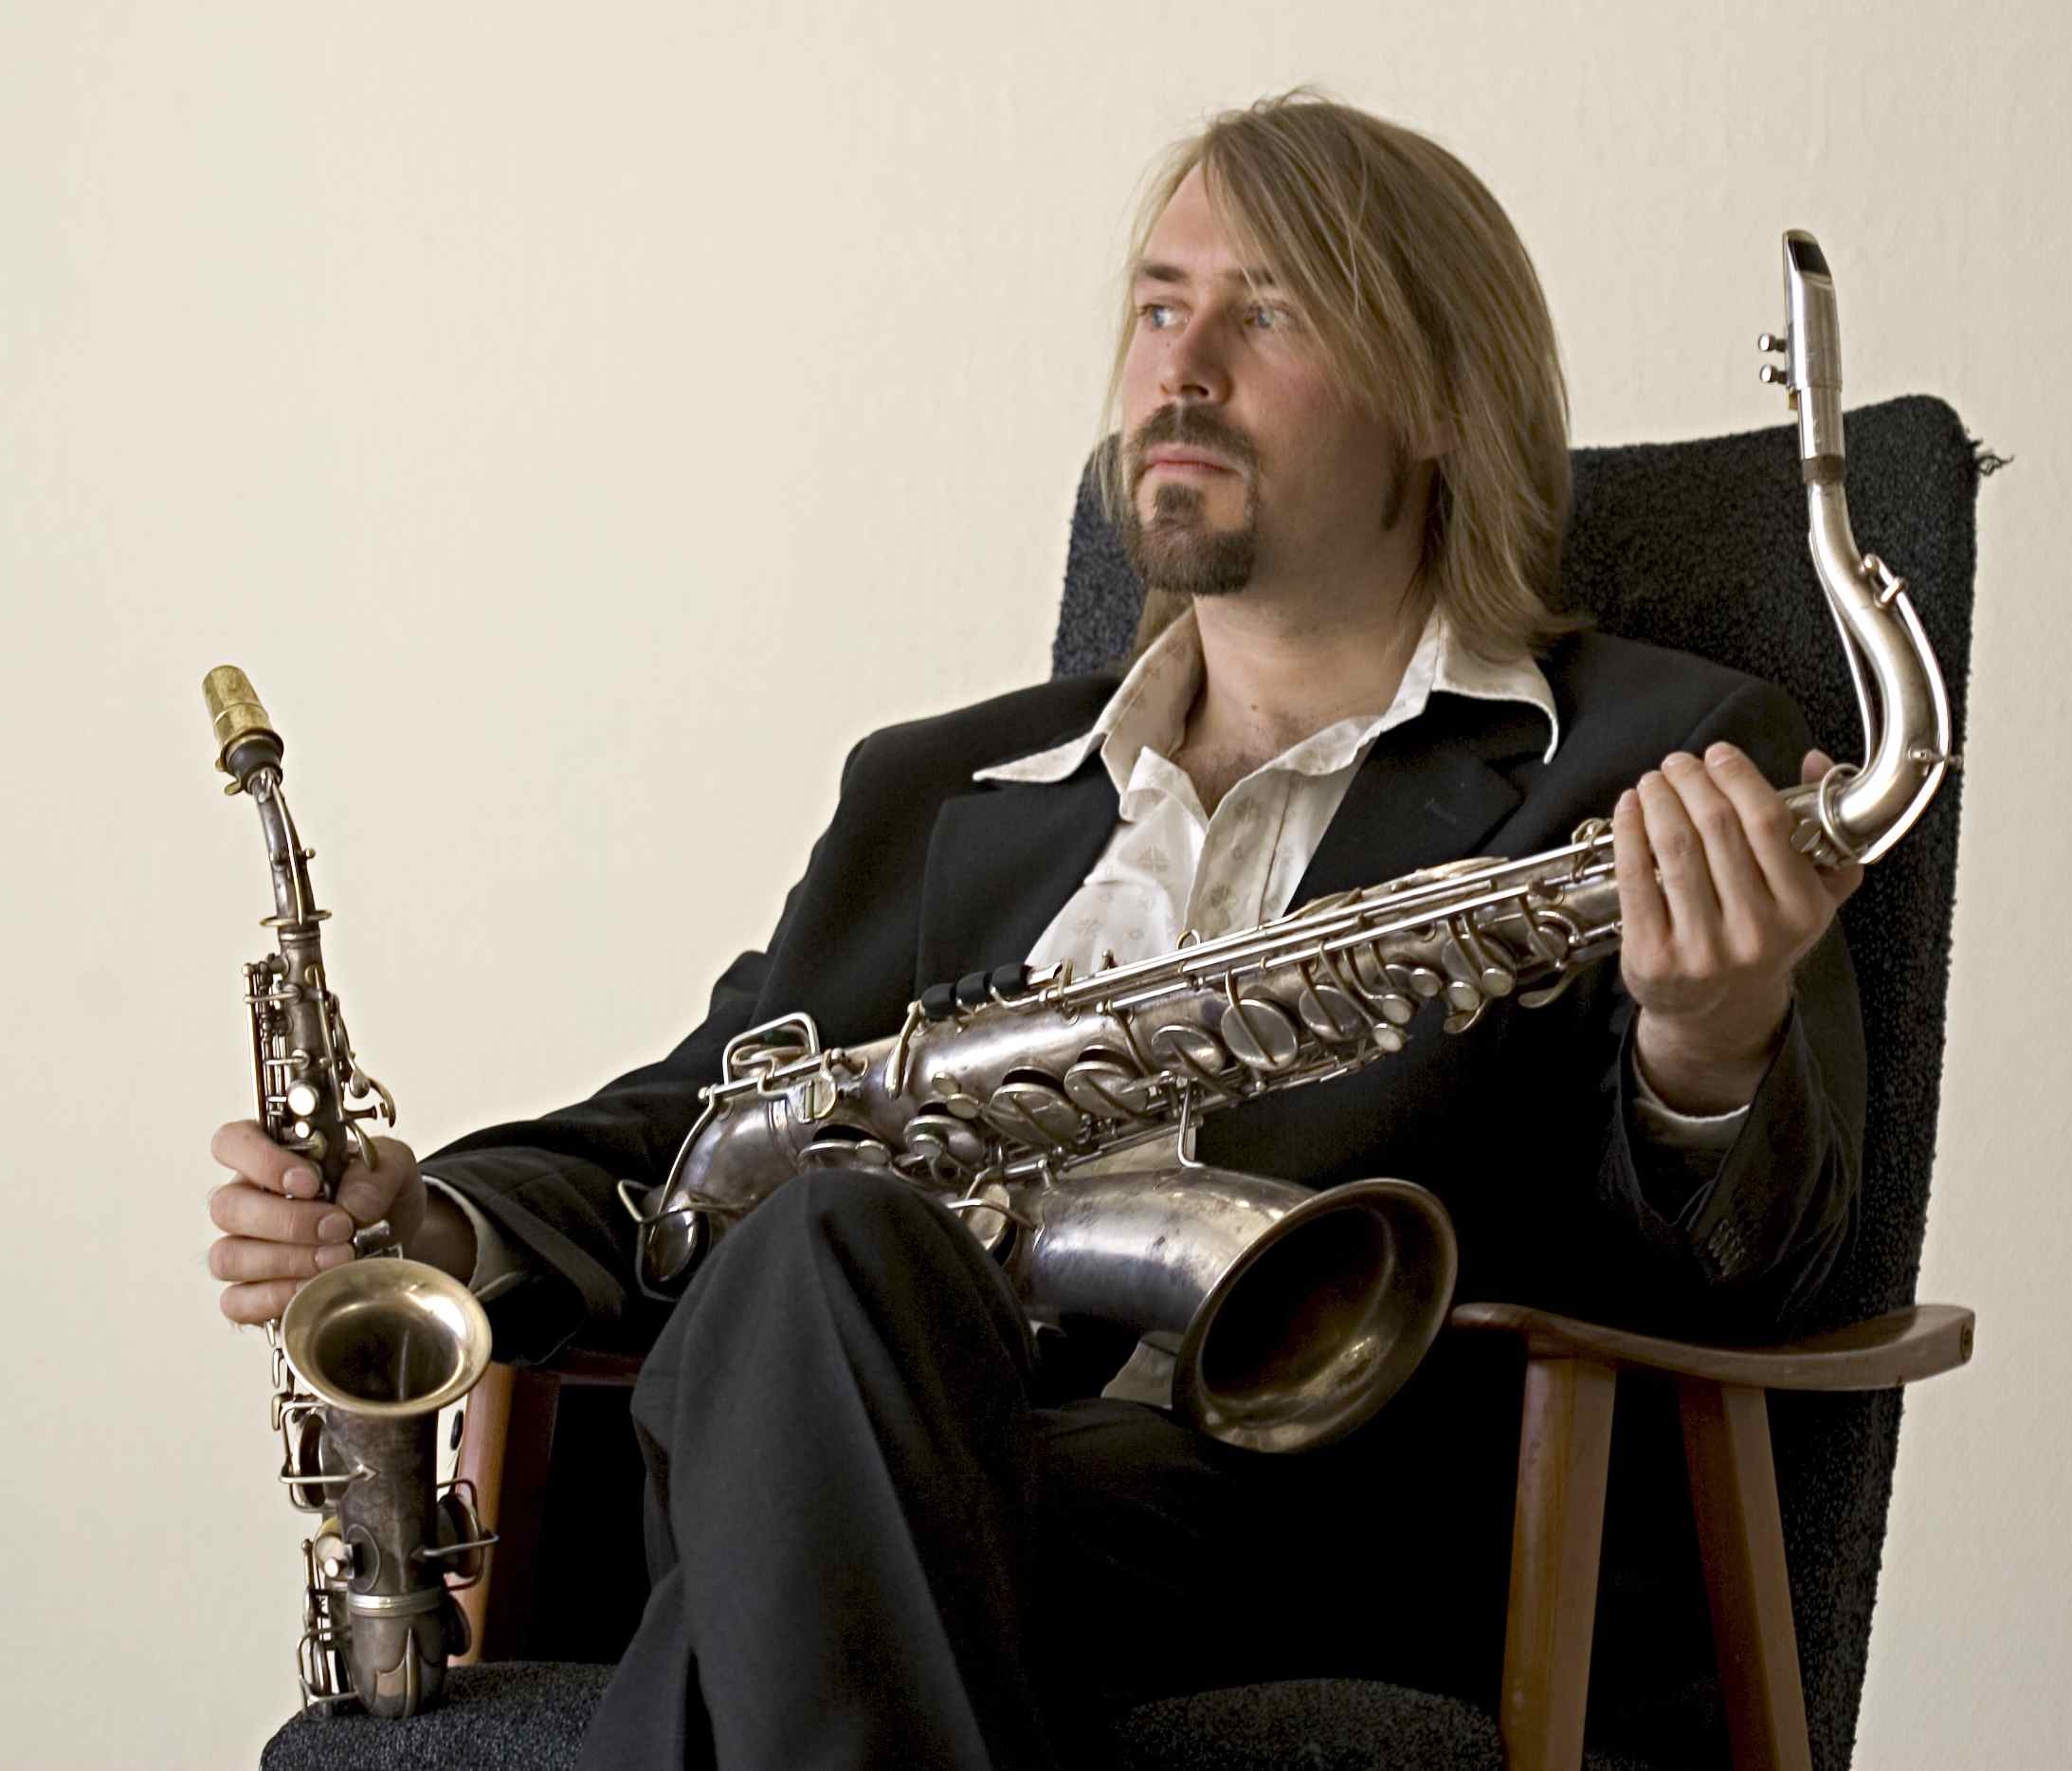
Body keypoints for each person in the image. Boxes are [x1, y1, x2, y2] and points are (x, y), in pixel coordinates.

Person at [207, 92, 1865, 1768]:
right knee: (822, 1262)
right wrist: (430, 1223)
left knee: (771, 1512)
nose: (1178, 371)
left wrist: (1704, 1047)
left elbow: (1775, 1274)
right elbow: (691, 1130)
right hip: (908, 1456)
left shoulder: (1656, 759)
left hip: (1318, 1522)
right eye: (1156, 307)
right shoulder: (934, 785)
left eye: (1266, 313)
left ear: (1441, 393)